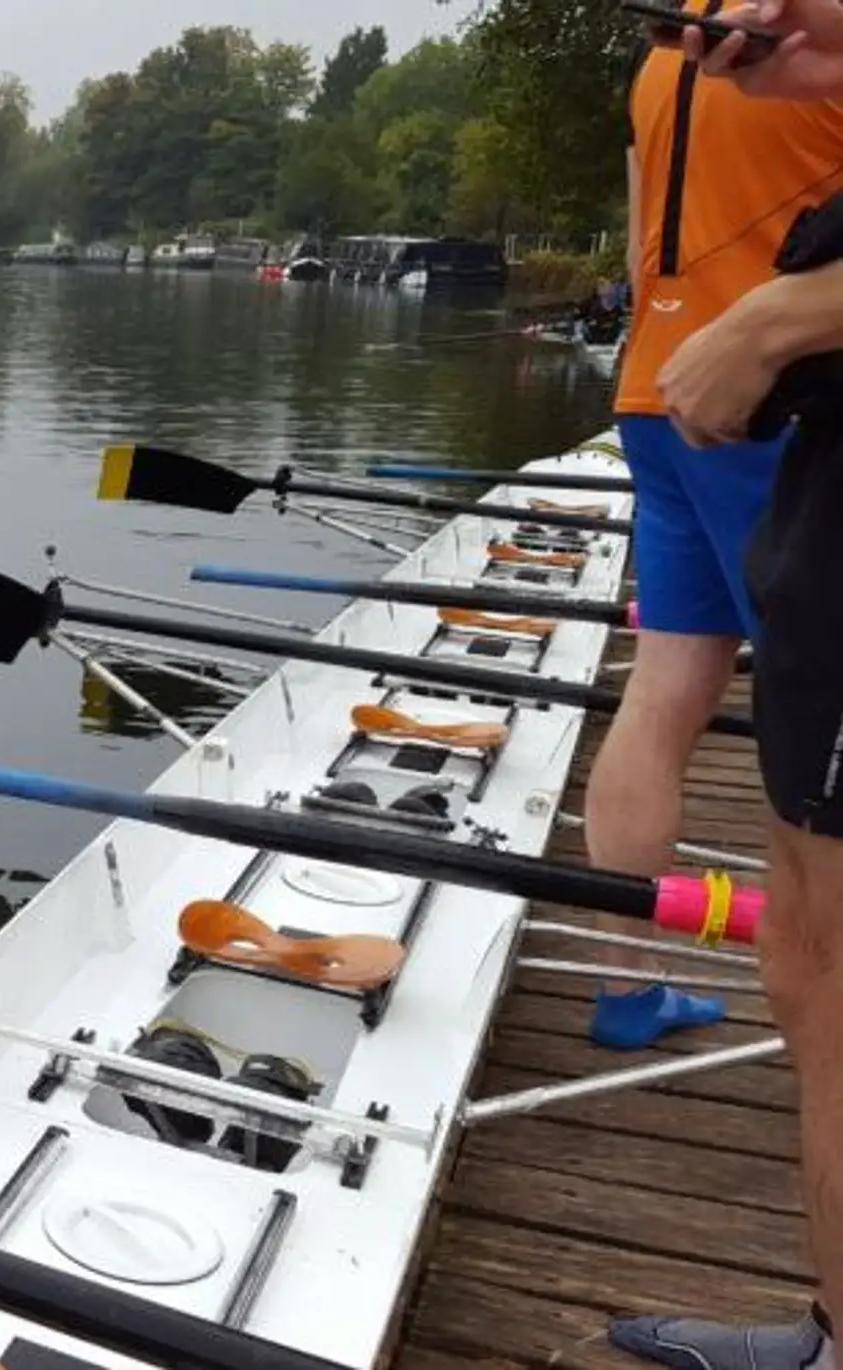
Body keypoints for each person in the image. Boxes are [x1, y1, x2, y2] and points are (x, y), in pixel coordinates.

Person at [600, 6, 843, 1369]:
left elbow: (644, 224)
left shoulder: (670, 57)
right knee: (815, 848)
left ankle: (633, 983)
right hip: (774, 402)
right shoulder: (782, 45)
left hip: (659, 387)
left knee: (661, 688)